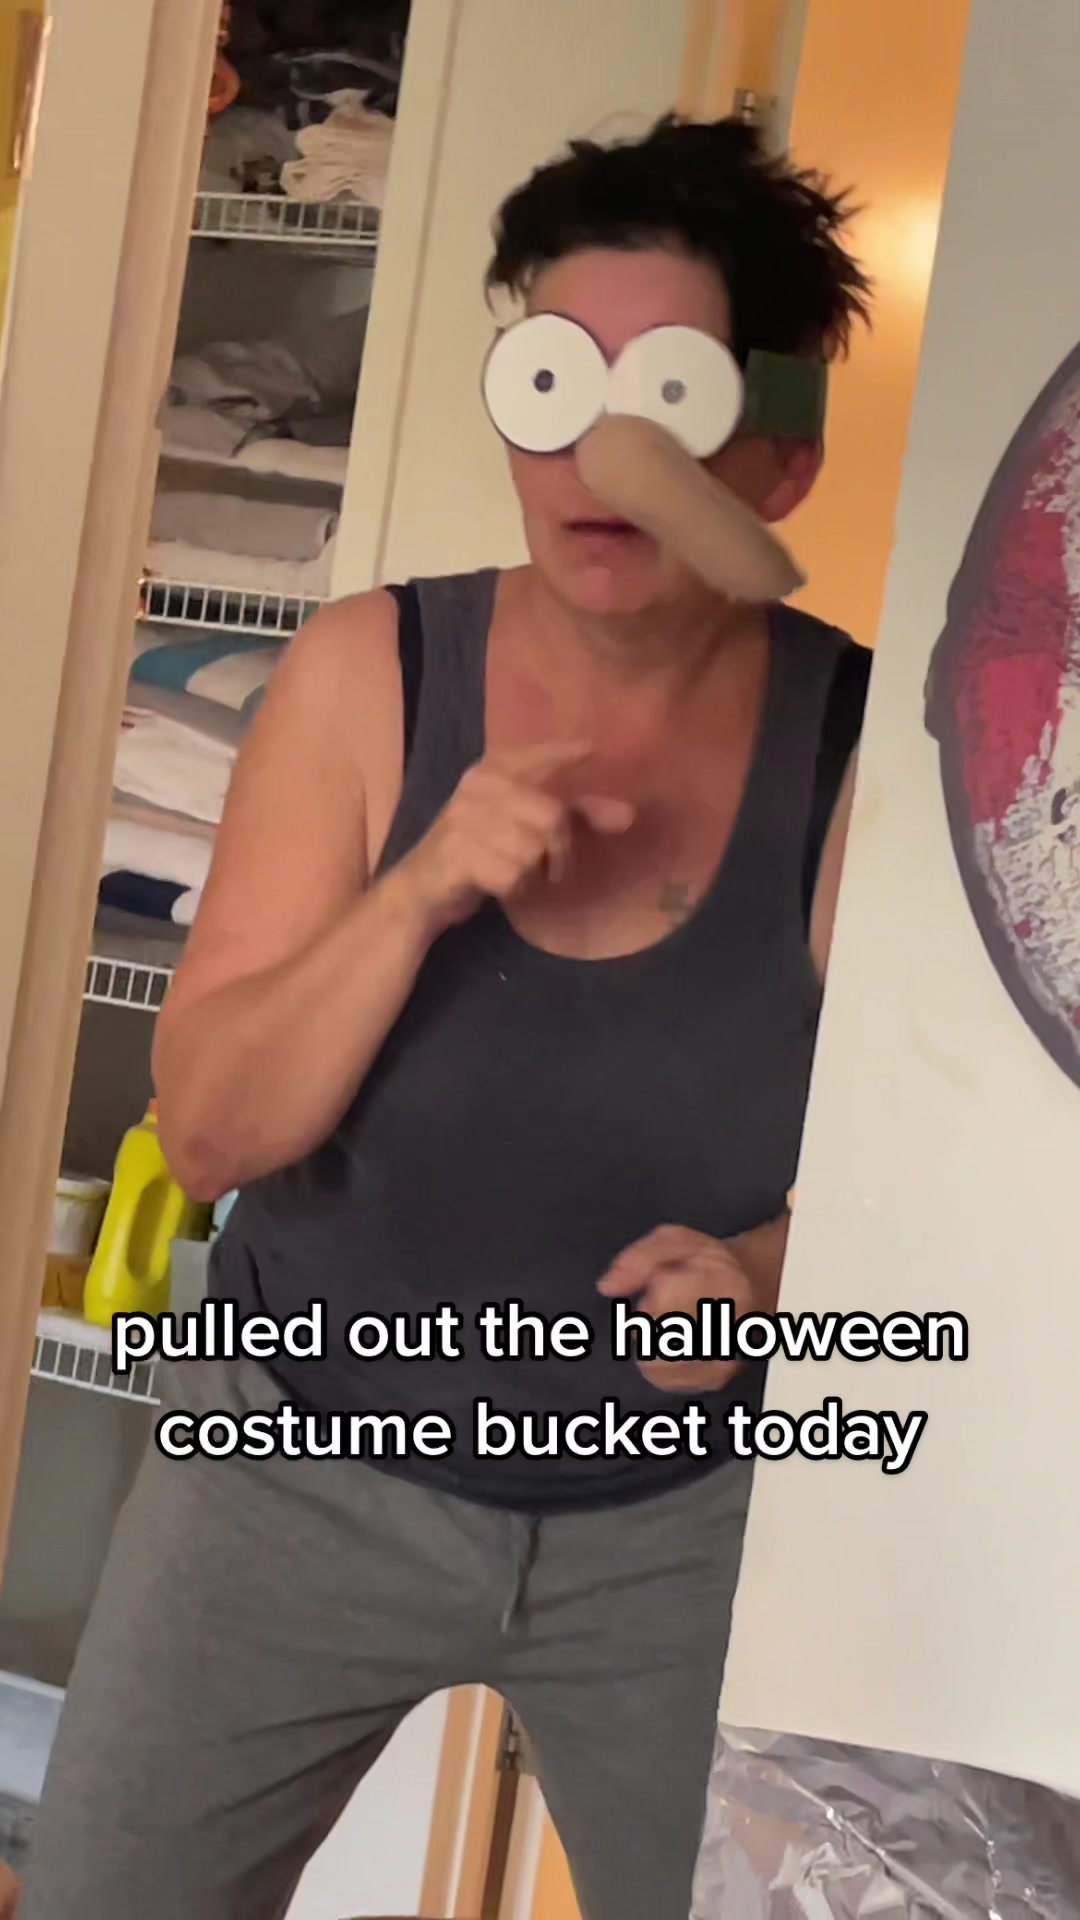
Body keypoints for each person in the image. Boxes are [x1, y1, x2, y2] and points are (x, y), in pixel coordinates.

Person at [23, 115, 872, 1920]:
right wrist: (416, 892)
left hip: (681, 1519)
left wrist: (770, 1269)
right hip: (293, 1460)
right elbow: (210, 1134)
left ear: (780, 459)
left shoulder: (866, 754)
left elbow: (958, 1180)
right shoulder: (370, 674)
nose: (596, 455)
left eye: (669, 396)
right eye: (555, 383)